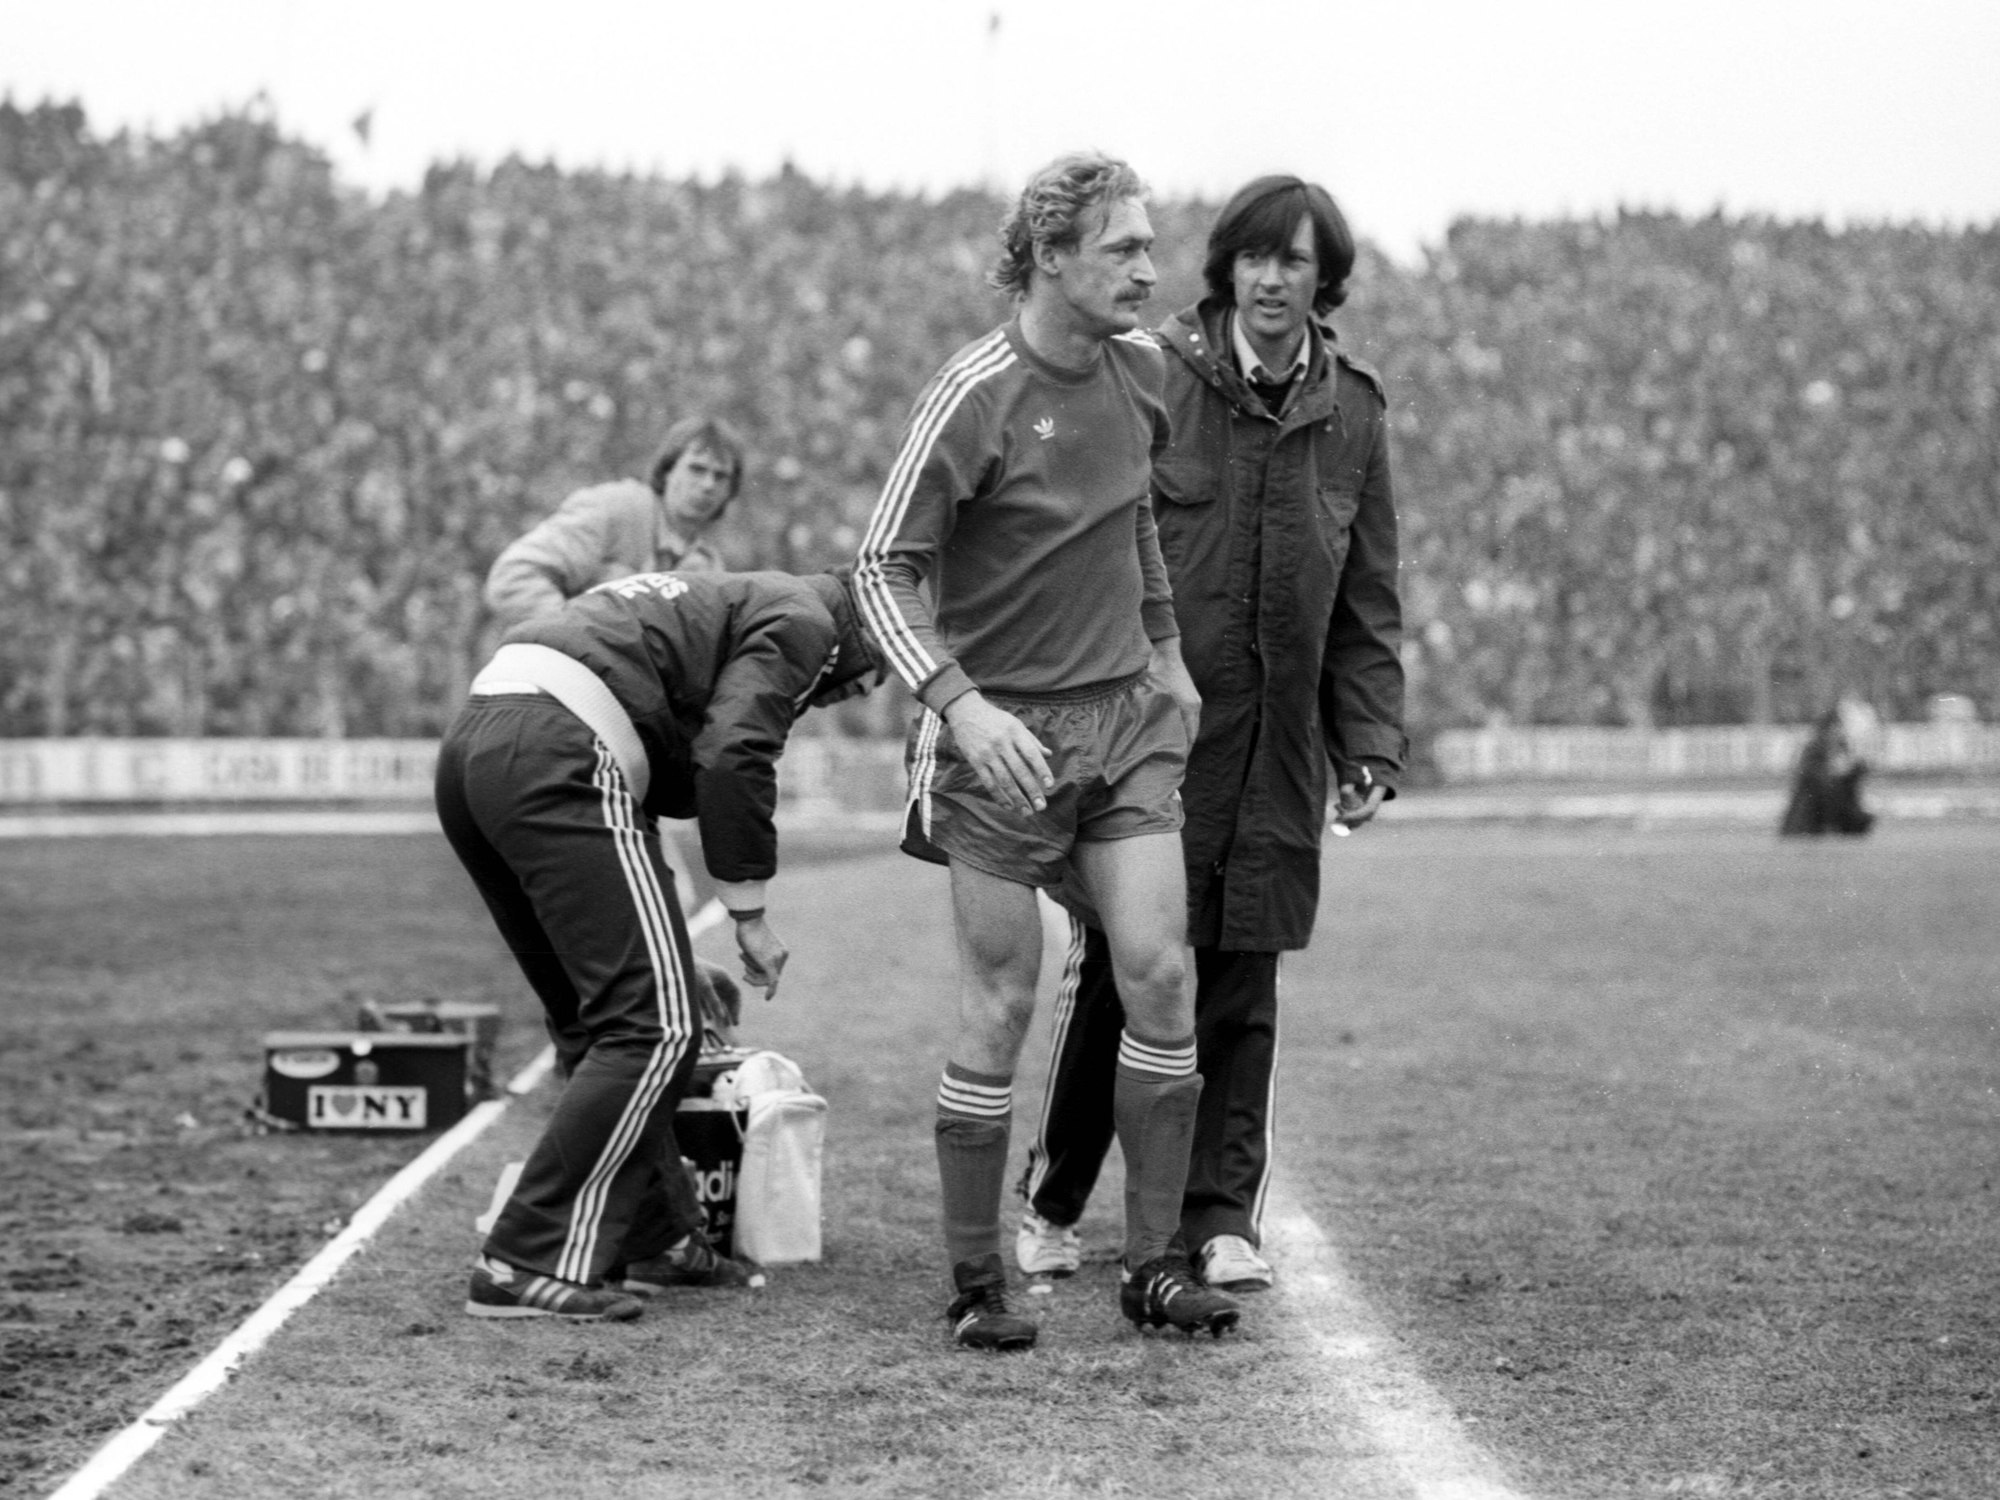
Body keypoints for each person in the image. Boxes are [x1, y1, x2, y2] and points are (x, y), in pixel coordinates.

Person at [854, 151, 1240, 1351]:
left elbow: (1127, 510)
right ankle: (978, 1281)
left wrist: (1164, 648)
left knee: (1161, 971)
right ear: (1050, 257)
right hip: (1002, 736)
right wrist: (959, 707)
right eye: (1123, 246)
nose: (1148, 266)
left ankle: (1157, 1265)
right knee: (1003, 997)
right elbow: (880, 568)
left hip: (1121, 720)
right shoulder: (972, 391)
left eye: (1149, 242)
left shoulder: (1146, 378)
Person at [1016, 175, 1407, 1296]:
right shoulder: (1150, 375)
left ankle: (1221, 1217)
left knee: (1245, 972)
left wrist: (1366, 745)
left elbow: (1366, 602)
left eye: (1295, 262)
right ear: (1226, 269)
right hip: (1149, 735)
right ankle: (1051, 1198)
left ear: (1321, 279)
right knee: (1123, 970)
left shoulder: (1357, 414)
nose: (1273, 279)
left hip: (1277, 750)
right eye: (1254, 259)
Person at [437, 567, 883, 1320]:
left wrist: (669, 947)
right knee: (656, 1027)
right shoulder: (810, 622)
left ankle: (652, 1235)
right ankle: (524, 1258)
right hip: (562, 744)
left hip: (484, 739)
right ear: (865, 628)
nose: (853, 693)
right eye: (868, 673)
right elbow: (734, 749)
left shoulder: (744, 597)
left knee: (600, 1020)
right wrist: (746, 911)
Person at [483, 415, 746, 625]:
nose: (708, 485)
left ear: (730, 490)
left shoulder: (708, 568)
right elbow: (513, 578)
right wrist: (577, 636)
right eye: (696, 469)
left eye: (720, 476)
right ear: (667, 471)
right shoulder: (617, 508)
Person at [1779, 705, 1875, 836]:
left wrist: (1853, 768)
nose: (1839, 731)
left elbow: (1853, 780)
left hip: (1835, 814)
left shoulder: (1842, 748)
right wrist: (1837, 772)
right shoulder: (1814, 749)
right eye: (1837, 727)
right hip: (1809, 819)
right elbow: (1817, 781)